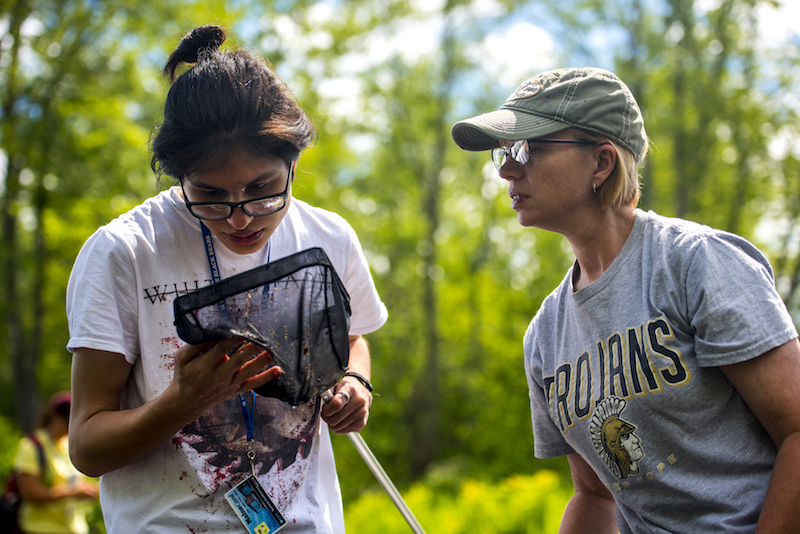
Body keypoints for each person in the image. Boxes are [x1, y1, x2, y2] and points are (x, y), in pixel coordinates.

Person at [65, 25, 387, 533]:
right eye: (211, 195)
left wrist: (356, 381)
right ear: (178, 176)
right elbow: (85, 446)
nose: (241, 218)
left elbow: (352, 336)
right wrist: (182, 402)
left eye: (262, 190)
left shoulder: (328, 237)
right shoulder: (125, 251)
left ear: (294, 162)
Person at [451, 67, 800, 533]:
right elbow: (595, 494)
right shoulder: (545, 335)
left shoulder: (697, 264)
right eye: (503, 153)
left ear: (601, 162)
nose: (508, 169)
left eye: (528, 148)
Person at [12, 391, 98, 534]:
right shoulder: (32, 447)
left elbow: (71, 482)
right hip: (41, 528)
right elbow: (30, 493)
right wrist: (72, 493)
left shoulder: (67, 446)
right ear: (58, 418)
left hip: (74, 528)